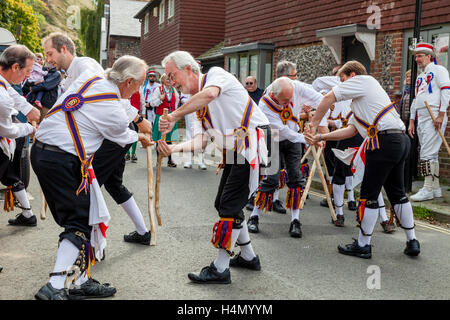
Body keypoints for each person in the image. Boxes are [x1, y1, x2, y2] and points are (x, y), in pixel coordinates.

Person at [31, 55, 152, 300]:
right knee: (79, 221)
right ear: (128, 82)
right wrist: (141, 137)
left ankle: (80, 280)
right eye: (138, 85)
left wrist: (138, 121)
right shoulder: (113, 112)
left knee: (86, 217)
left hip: (44, 152)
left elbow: (119, 105)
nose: (138, 89)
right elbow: (121, 134)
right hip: (61, 158)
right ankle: (54, 285)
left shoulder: (92, 77)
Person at [157, 50, 270, 284]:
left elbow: (209, 94)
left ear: (188, 69)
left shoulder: (215, 76)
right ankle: (249, 257)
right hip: (236, 150)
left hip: (251, 142)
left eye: (171, 75)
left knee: (229, 205)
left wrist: (175, 115)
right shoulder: (198, 108)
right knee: (223, 203)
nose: (171, 82)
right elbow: (201, 142)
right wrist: (172, 149)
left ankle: (220, 269)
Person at [42, 32, 153, 246]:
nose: (48, 60)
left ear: (64, 49)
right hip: (110, 130)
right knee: (112, 184)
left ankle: (90, 242)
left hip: (112, 131)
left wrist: (138, 119)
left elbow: (113, 99)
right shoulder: (70, 73)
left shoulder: (87, 67)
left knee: (88, 185)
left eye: (50, 54)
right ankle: (142, 231)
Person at [305, 60, 420, 259]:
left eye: (342, 79)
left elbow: (328, 99)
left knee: (369, 194)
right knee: (397, 192)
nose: (340, 84)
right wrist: (321, 137)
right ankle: (412, 241)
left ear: (351, 75)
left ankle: (363, 245)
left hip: (383, 142)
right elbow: (350, 131)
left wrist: (313, 124)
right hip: (398, 140)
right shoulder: (360, 103)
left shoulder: (363, 80)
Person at [248, 76, 327, 238]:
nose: (290, 102)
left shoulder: (297, 87)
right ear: (273, 95)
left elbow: (322, 100)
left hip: (293, 139)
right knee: (271, 178)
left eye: (291, 98)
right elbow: (285, 132)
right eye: (285, 100)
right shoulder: (264, 106)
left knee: (296, 179)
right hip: (274, 137)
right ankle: (254, 216)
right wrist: (307, 139)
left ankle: (295, 221)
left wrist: (320, 127)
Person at [0, 45, 40, 270]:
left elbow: (15, 96)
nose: (28, 76)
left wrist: (30, 109)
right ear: (15, 67)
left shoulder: (5, 86)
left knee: (12, 176)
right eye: (27, 71)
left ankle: (27, 214)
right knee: (12, 175)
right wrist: (29, 128)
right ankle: (28, 214)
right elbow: (8, 131)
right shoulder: (2, 97)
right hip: (5, 138)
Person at [408, 42, 450, 201]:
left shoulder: (439, 70)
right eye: (416, 56)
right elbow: (416, 99)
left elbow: (446, 92)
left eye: (420, 56)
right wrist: (412, 120)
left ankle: (427, 188)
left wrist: (441, 114)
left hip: (434, 115)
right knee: (430, 152)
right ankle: (435, 188)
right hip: (422, 115)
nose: (417, 59)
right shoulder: (420, 76)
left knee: (427, 152)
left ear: (429, 56)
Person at [150, 73, 179, 167]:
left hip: (171, 117)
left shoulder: (173, 90)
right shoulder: (158, 90)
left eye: (171, 79)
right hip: (161, 116)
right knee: (159, 139)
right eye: (167, 79)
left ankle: (170, 160)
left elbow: (177, 102)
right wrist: (160, 99)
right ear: (162, 80)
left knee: (169, 139)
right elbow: (152, 103)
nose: (169, 80)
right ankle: (159, 160)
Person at [181, 93, 207, 170]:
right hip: (190, 111)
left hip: (201, 112)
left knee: (201, 136)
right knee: (189, 136)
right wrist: (192, 101)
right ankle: (188, 161)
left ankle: (201, 161)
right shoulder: (187, 86)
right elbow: (182, 98)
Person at [125, 89, 145, 163]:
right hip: (126, 114)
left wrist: (143, 113)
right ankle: (127, 153)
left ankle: (133, 153)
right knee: (126, 133)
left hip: (136, 114)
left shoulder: (140, 90)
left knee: (135, 132)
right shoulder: (126, 88)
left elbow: (142, 102)